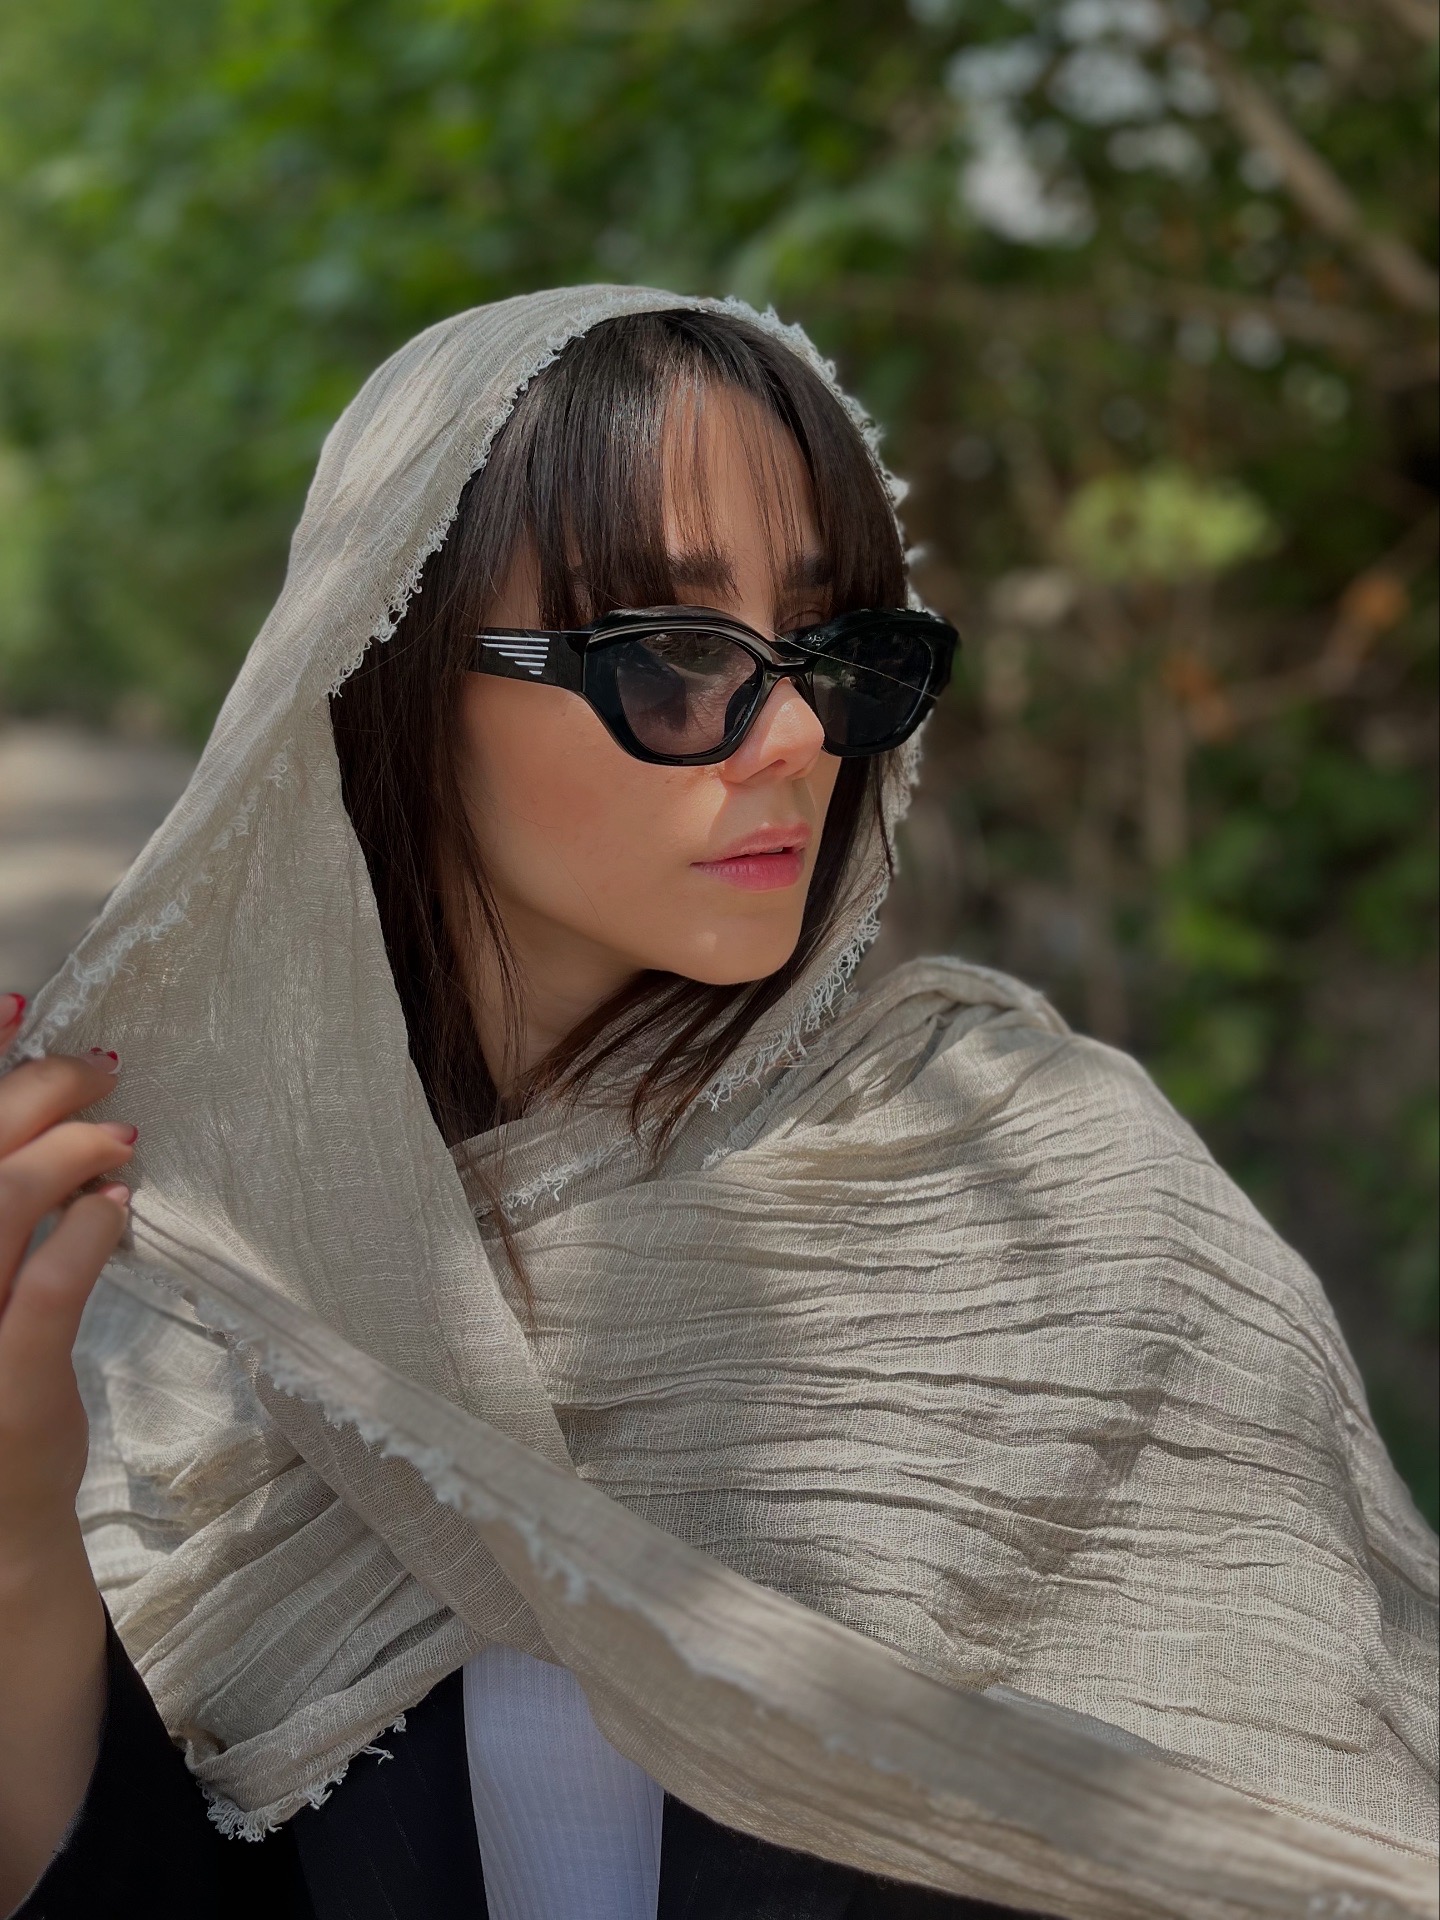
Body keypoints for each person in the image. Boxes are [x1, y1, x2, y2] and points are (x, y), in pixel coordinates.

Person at [0, 290, 1434, 1920]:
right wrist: (22, 1539)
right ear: (383, 674)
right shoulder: (208, 1293)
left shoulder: (1070, 1209)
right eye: (679, 656)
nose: (804, 734)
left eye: (838, 649)